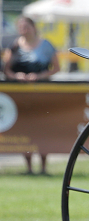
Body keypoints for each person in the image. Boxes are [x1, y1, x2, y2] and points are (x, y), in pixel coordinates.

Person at [2, 15, 60, 174]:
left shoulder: (46, 45)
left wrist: (39, 76)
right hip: (22, 95)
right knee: (26, 129)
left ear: (33, 27)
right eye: (21, 27)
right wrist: (17, 76)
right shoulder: (14, 46)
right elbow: (7, 69)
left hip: (42, 93)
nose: (24, 30)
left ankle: (43, 166)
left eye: (26, 27)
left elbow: (56, 67)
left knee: (42, 128)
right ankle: (28, 167)